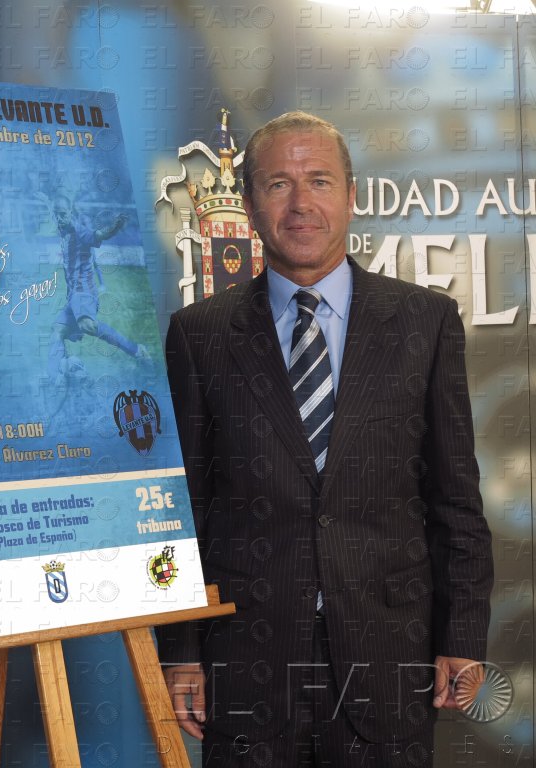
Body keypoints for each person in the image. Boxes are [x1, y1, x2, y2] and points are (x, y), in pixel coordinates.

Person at [157, 111, 493, 766]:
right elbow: (182, 511)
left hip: (391, 660)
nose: (301, 204)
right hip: (245, 665)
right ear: (249, 203)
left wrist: (463, 635)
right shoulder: (200, 336)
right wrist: (180, 651)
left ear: (352, 195)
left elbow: (456, 500)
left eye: (319, 180)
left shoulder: (424, 323)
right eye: (278, 184)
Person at [47, 194, 149, 383]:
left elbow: (99, 235)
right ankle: (55, 378)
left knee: (88, 326)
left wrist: (115, 227)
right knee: (57, 330)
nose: (59, 218)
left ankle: (137, 350)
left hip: (84, 293)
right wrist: (46, 198)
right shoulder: (63, 230)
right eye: (56, 214)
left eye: (62, 214)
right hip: (73, 297)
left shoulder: (79, 231)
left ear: (70, 212)